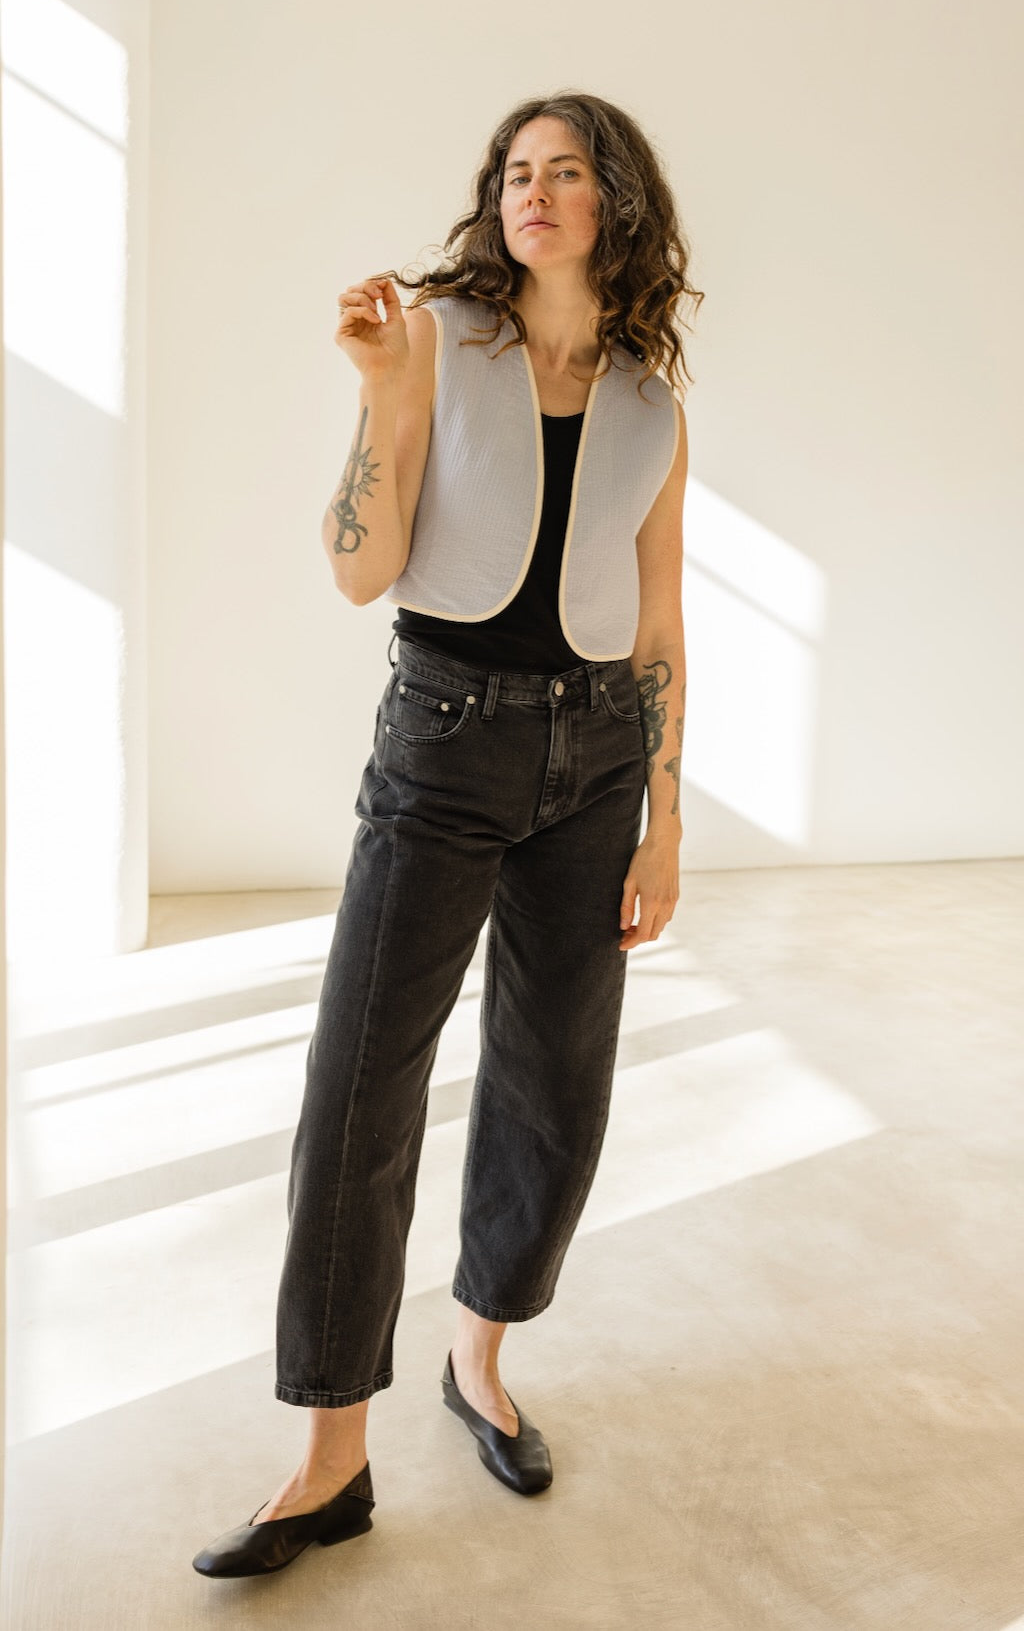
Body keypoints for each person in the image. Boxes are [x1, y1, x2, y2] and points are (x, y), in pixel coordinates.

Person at [193, 88, 701, 1579]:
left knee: (556, 1083)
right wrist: (380, 394)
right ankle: (330, 1461)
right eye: (515, 170)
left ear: (615, 202)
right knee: (362, 1086)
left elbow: (660, 620)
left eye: (566, 170)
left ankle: (478, 1361)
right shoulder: (428, 337)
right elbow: (361, 570)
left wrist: (665, 818)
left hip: (599, 760)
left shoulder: (654, 403)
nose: (533, 190)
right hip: (445, 740)